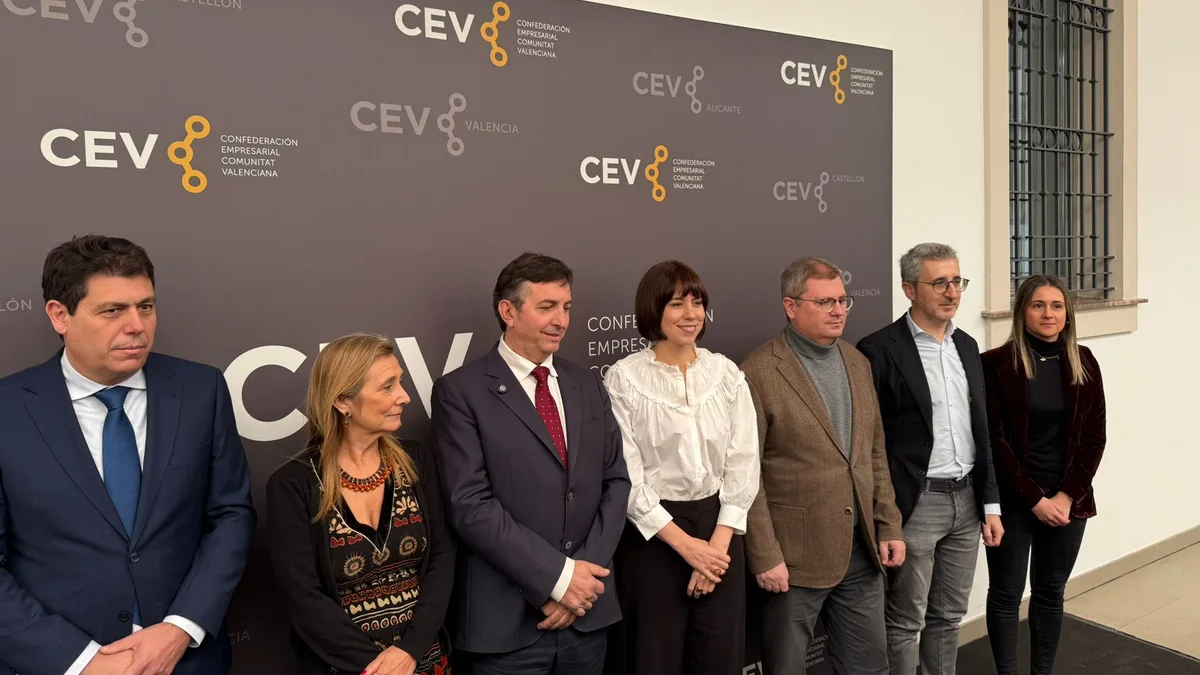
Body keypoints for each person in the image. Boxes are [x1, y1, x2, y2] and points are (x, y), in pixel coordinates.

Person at [0, 234, 256, 675]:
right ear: (59, 315)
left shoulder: (201, 390)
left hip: (187, 660)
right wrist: (80, 661)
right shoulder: (8, 410)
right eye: (112, 310)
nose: (137, 325)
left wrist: (180, 628)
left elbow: (231, 515)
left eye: (146, 306)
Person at [430, 252, 631, 675]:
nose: (561, 320)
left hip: (587, 616)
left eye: (567, 307)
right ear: (508, 312)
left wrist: (582, 583)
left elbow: (616, 482)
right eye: (547, 307)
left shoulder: (586, 384)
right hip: (507, 626)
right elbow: (470, 506)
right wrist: (558, 580)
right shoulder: (460, 393)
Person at [740, 256, 905, 675]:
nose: (838, 311)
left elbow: (874, 453)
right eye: (825, 302)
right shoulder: (757, 371)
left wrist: (888, 524)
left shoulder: (857, 362)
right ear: (790, 306)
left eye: (842, 300)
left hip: (862, 551)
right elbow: (746, 475)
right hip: (793, 559)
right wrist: (764, 554)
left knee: (870, 668)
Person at [602, 261, 759, 675]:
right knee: (652, 660)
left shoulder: (725, 374)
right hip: (653, 538)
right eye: (676, 304)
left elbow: (743, 461)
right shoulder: (624, 379)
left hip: (720, 532)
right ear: (652, 310)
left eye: (697, 303)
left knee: (719, 660)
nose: (690, 314)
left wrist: (715, 550)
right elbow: (627, 476)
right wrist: (688, 548)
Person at [266, 333, 455, 675]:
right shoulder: (293, 485)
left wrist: (409, 652)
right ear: (342, 401)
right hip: (346, 668)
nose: (404, 396)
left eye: (401, 382)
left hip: (425, 660)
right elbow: (304, 596)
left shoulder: (416, 461)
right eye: (387, 386)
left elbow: (442, 558)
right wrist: (377, 667)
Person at [857, 242, 1005, 675]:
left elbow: (982, 432)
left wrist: (991, 503)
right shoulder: (879, 350)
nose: (951, 292)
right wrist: (886, 517)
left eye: (956, 281)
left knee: (949, 616)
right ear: (909, 289)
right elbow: (870, 443)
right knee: (906, 620)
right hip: (915, 504)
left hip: (967, 501)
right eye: (939, 283)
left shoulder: (967, 345)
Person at [981, 274, 1106, 675]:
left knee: (1051, 592)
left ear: (1067, 314)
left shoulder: (1084, 361)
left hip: (1069, 501)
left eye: (1056, 305)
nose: (1048, 314)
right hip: (1014, 500)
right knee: (1006, 594)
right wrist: (1035, 499)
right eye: (1038, 305)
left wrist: (1066, 496)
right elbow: (994, 440)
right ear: (1022, 312)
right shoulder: (996, 364)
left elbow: (1094, 437)